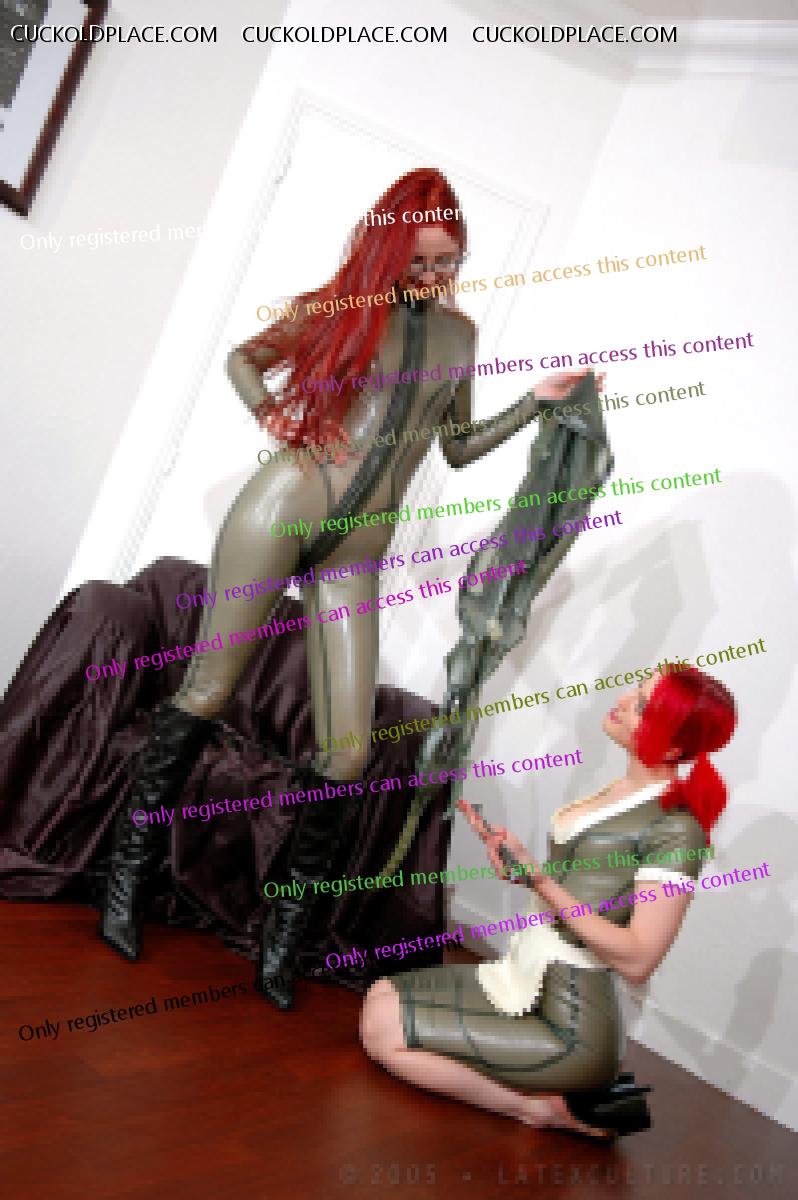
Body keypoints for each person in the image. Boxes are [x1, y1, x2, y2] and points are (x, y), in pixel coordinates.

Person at [99, 167, 591, 1010]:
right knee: (208, 691)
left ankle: (282, 935)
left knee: (350, 750)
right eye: (420, 260)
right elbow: (245, 359)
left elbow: (459, 446)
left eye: (449, 261)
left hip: (358, 550)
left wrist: (535, 404)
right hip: (280, 509)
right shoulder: (341, 307)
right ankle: (127, 875)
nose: (434, 275)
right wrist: (272, 415)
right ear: (390, 249)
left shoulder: (459, 336)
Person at [359, 666, 737, 1138]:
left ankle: (536, 1110)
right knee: (381, 993)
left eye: (641, 706)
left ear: (675, 747)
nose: (622, 701)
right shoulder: (620, 791)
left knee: (380, 1029)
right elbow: (579, 892)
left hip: (570, 1021)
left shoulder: (678, 829)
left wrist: (540, 882)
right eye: (636, 690)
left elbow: (640, 959)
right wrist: (521, 866)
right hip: (526, 975)